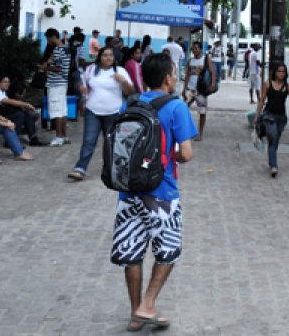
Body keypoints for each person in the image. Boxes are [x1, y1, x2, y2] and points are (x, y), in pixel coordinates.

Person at [111, 53, 197, 332]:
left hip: (128, 191)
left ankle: (136, 314)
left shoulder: (131, 102)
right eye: (174, 72)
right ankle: (147, 304)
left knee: (132, 253)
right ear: (168, 78)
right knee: (168, 252)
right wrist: (170, 157)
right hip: (162, 194)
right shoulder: (176, 107)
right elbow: (186, 154)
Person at [68, 47, 134, 181]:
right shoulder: (92, 69)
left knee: (111, 142)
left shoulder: (120, 71)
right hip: (93, 111)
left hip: (113, 112)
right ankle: (80, 169)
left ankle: (111, 170)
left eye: (111, 55)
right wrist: (81, 87)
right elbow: (82, 82)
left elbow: (129, 91)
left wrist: (123, 81)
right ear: (100, 57)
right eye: (105, 55)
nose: (108, 58)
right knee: (89, 141)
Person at [255, 62, 289, 177]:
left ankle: (272, 161)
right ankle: (274, 166)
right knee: (273, 137)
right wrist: (257, 114)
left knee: (275, 140)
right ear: (274, 72)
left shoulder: (288, 86)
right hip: (269, 116)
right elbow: (262, 100)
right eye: (279, 71)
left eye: (283, 72)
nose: (281, 74)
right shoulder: (267, 84)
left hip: (281, 117)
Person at [0, 73, 46, 146]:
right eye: (5, 82)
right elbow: (7, 101)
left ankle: (33, 139)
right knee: (19, 115)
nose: (7, 84)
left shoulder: (2, 91)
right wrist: (26, 105)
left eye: (8, 82)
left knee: (25, 113)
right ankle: (10, 141)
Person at [44, 28, 71, 146]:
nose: (48, 41)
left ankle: (58, 137)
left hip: (55, 83)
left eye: (48, 39)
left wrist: (46, 67)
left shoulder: (57, 49)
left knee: (56, 111)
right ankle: (64, 136)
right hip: (63, 82)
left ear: (53, 37)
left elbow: (58, 68)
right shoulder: (66, 48)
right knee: (62, 110)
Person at [183, 42, 215, 141]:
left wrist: (212, 84)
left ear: (201, 49)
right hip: (190, 89)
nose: (194, 50)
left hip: (201, 90)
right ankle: (184, 132)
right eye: (193, 48)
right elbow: (187, 75)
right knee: (183, 109)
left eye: (196, 48)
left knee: (202, 112)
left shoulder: (206, 60)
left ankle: (200, 133)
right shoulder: (190, 61)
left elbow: (212, 72)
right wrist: (184, 88)